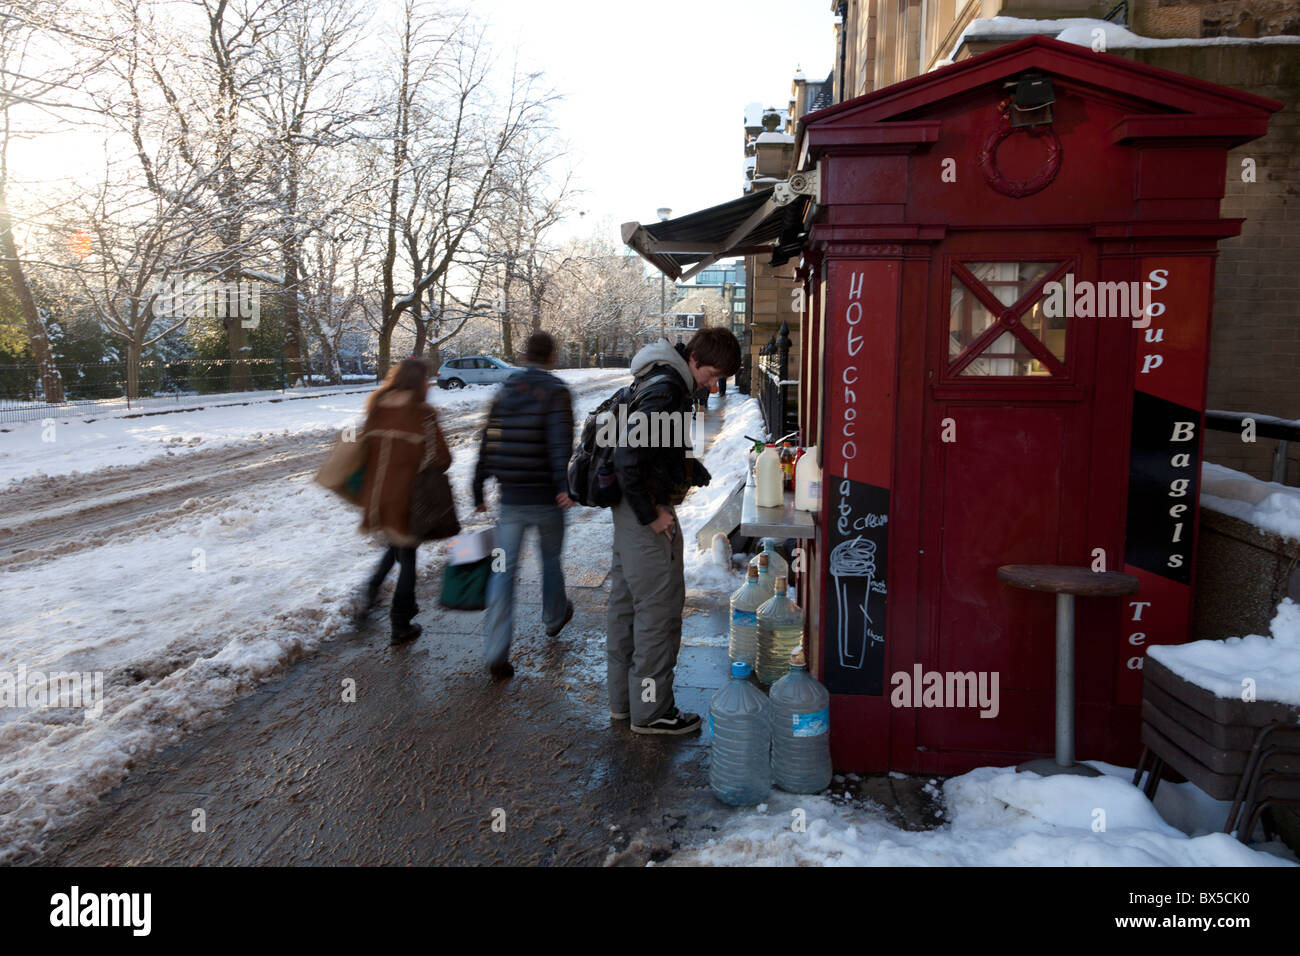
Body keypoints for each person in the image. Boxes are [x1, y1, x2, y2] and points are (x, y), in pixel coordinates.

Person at [608, 327, 742, 734]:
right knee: (659, 615)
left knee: (628, 609)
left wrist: (686, 469)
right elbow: (628, 455)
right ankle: (651, 711)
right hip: (645, 514)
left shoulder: (655, 378)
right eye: (712, 374)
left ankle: (626, 704)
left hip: (629, 510)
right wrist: (652, 515)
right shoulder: (666, 388)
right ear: (696, 358)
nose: (714, 384)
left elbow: (645, 448)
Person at [473, 332, 576, 681]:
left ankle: (495, 651)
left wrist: (478, 483)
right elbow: (561, 443)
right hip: (547, 499)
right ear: (552, 356)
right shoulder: (557, 391)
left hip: (511, 501)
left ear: (525, 354)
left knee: (503, 574)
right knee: (550, 561)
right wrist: (565, 486)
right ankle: (553, 618)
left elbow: (489, 436)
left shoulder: (505, 389)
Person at [357, 356, 450, 644]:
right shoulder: (423, 413)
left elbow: (365, 447)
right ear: (420, 382)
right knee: (407, 555)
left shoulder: (377, 405)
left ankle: (370, 592)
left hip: (379, 493)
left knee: (396, 543)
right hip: (409, 495)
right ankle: (401, 622)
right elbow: (442, 458)